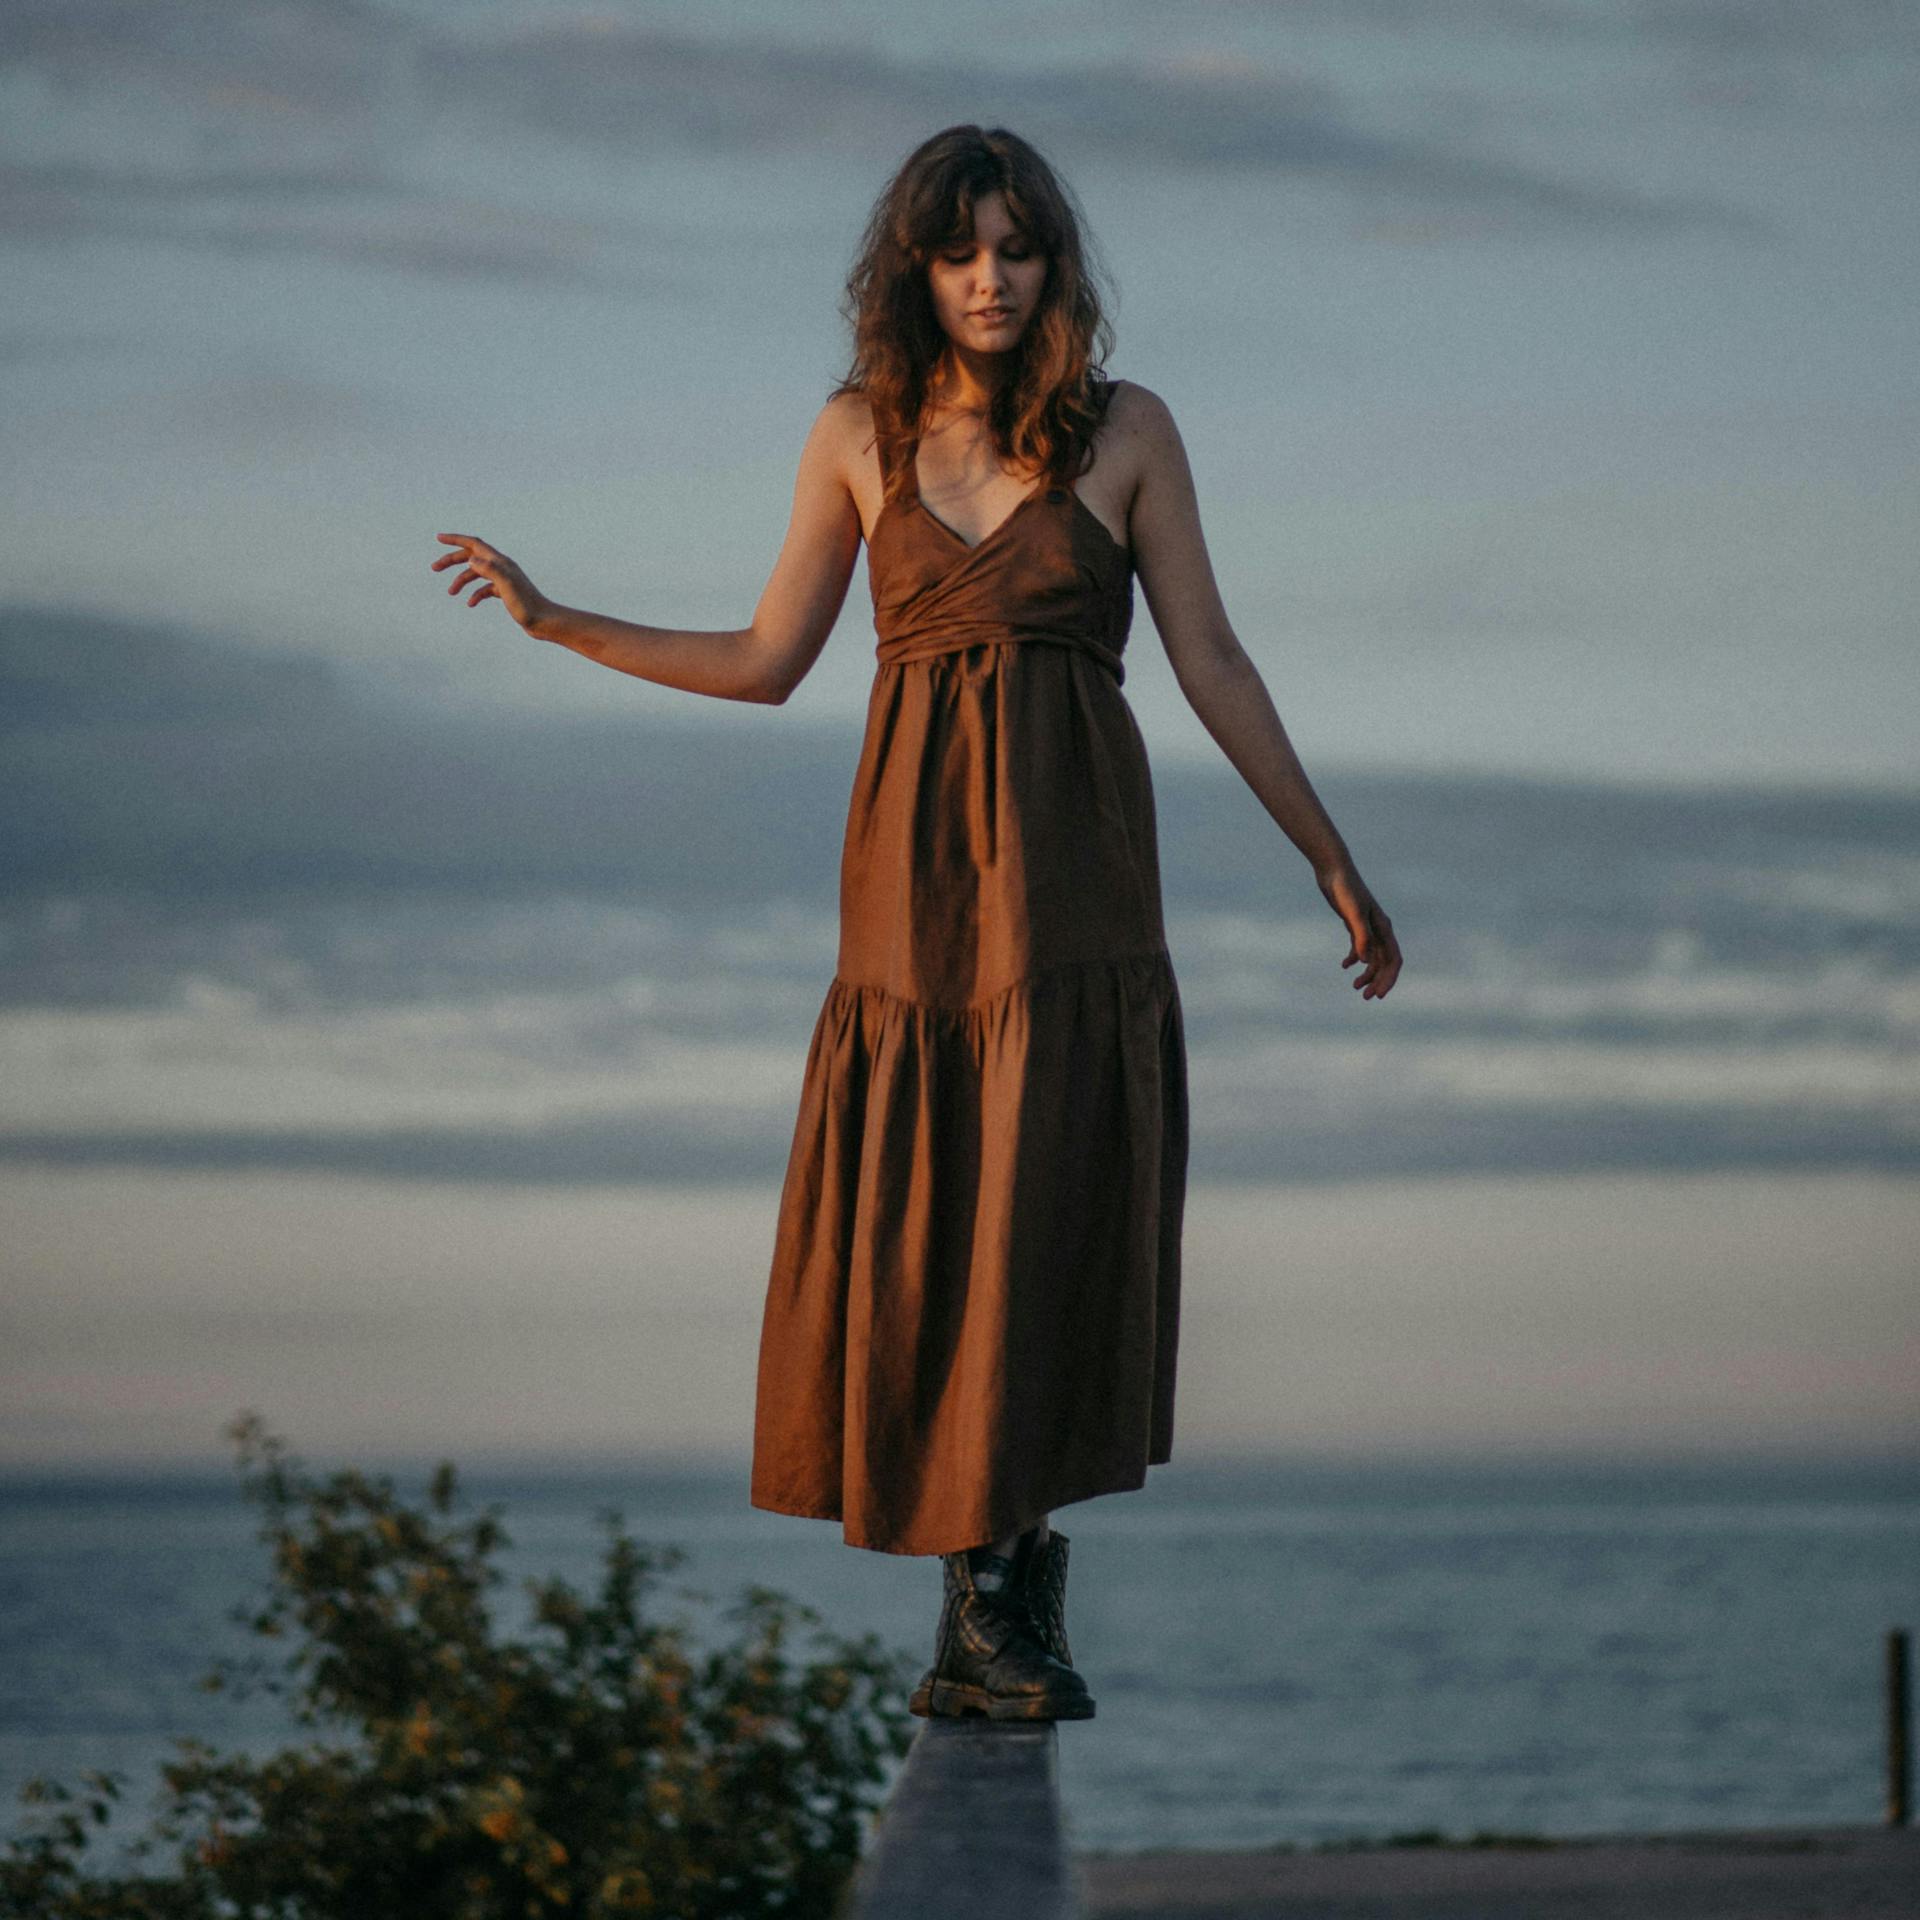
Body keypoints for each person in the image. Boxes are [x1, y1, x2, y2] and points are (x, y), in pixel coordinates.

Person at [430, 124, 1402, 1726]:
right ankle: (987, 1598)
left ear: (1052, 264)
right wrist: (551, 617)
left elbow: (1215, 660)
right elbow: (764, 661)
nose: (991, 278)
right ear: (918, 271)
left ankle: (1003, 1584)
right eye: (961, 253)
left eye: (1017, 249)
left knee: (1047, 1202)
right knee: (938, 1210)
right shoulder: (854, 435)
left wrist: (1330, 858)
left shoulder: (1129, 431)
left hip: (1076, 873)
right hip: (910, 890)